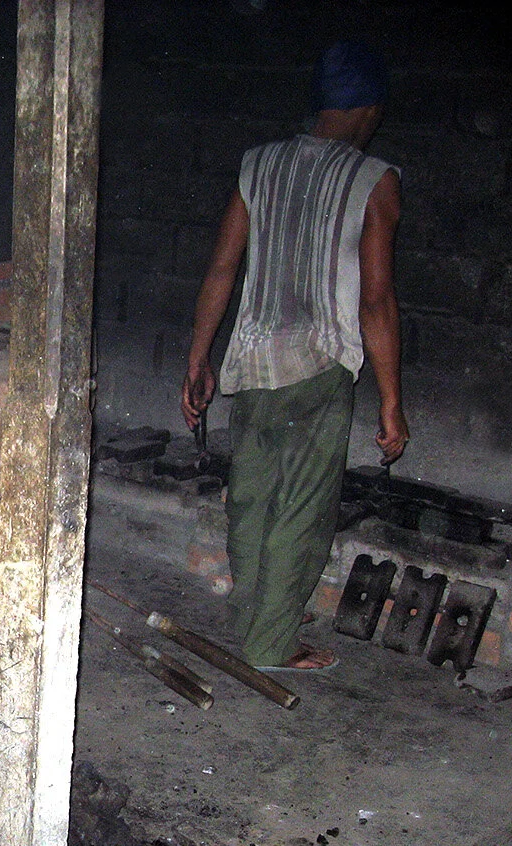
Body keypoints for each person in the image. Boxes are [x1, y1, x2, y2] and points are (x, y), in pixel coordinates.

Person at [181, 41, 408, 672]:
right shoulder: (375, 180)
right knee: (301, 509)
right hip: (317, 365)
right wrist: (391, 401)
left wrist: (199, 358)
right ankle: (273, 643)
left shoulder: (258, 164)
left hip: (252, 359)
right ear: (370, 109)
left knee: (252, 497)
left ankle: (254, 612)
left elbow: (221, 269)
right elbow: (376, 301)